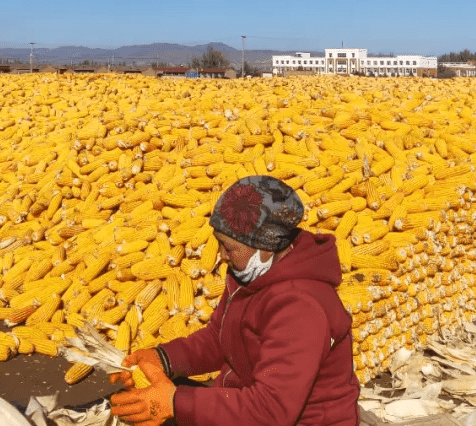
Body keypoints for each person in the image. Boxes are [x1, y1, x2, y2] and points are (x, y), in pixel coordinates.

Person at [110, 175, 360, 426]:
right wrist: (164, 359)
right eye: (219, 243)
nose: (221, 256)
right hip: (247, 403)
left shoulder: (300, 308)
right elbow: (220, 339)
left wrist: (175, 402)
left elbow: (269, 411)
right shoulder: (248, 276)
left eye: (228, 247)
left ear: (266, 247)